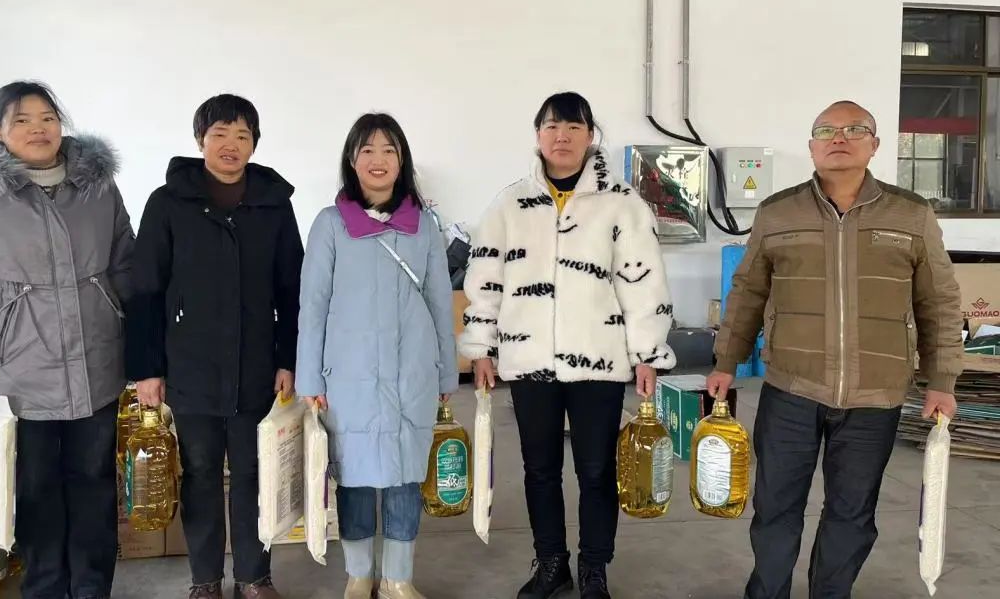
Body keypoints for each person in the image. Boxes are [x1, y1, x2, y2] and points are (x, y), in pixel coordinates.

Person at [708, 100, 963, 599]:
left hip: (875, 395)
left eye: (854, 130)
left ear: (875, 144)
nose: (839, 138)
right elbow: (747, 293)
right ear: (811, 147)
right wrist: (725, 362)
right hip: (791, 389)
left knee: (852, 512)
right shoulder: (777, 212)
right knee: (775, 507)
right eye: (826, 130)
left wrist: (943, 380)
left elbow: (939, 300)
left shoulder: (911, 214)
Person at [460, 92, 676, 599]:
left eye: (574, 127)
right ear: (538, 135)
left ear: (590, 136)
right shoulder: (510, 203)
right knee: (539, 470)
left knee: (596, 470)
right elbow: (486, 277)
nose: (562, 136)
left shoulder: (621, 202)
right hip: (528, 358)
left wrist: (648, 353)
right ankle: (552, 563)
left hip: (599, 361)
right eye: (552, 126)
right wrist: (481, 347)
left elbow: (642, 282)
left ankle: (595, 567)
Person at [0, 81, 134, 599]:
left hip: (96, 361)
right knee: (36, 488)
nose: (38, 129)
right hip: (20, 367)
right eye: (21, 120)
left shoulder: (97, 186)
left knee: (94, 485)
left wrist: (143, 348)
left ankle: (91, 588)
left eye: (47, 118)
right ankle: (45, 588)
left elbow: (126, 265)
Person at [125, 94, 303, 599]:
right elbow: (145, 289)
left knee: (253, 472)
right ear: (200, 139)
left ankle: (254, 576)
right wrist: (147, 369)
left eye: (242, 135)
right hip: (191, 366)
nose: (231, 145)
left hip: (256, 367)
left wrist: (288, 359)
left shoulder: (273, 203)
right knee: (200, 473)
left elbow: (293, 290)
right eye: (220, 134)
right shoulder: (168, 202)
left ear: (254, 144)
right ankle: (204, 581)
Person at [296, 113, 457, 599]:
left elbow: (439, 301)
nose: (378, 159)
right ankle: (359, 574)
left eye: (389, 150)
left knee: (407, 477)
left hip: (412, 373)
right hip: (350, 377)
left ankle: (398, 578)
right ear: (352, 159)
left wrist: (446, 372)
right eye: (367, 150)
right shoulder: (330, 225)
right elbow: (313, 305)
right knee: (355, 479)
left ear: (402, 160)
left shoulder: (423, 226)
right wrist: (310, 379)